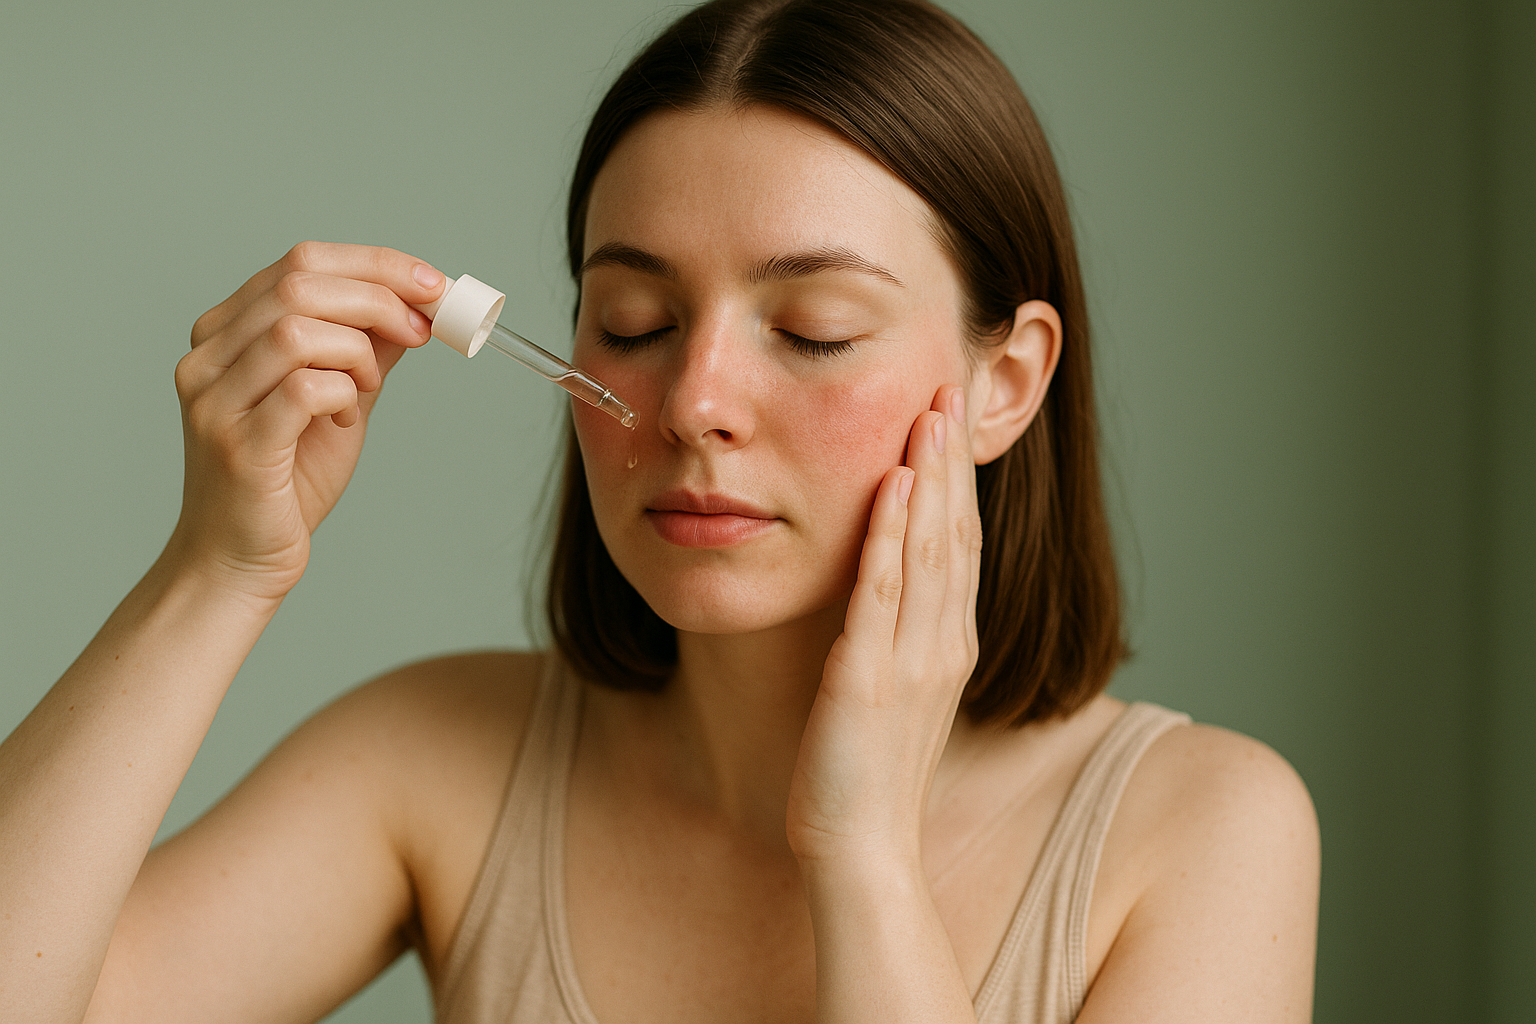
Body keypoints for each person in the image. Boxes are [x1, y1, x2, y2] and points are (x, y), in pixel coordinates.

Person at [0, 0, 1320, 1021]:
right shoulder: (438, 757)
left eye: (813, 330)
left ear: (1006, 383)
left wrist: (862, 853)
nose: (694, 404)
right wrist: (216, 570)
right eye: (633, 322)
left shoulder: (1204, 831)